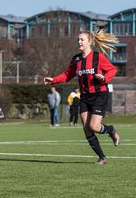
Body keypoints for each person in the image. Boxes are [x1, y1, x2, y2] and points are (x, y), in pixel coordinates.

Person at [44, 29, 120, 165]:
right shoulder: (76, 59)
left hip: (99, 95)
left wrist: (104, 78)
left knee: (94, 126)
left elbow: (112, 70)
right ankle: (102, 157)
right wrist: (53, 80)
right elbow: (67, 75)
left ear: (89, 42)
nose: (79, 42)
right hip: (85, 97)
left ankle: (111, 130)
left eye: (82, 39)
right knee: (86, 129)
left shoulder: (98, 57)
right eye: (78, 40)